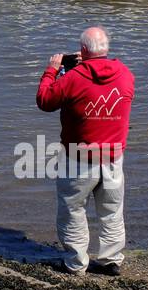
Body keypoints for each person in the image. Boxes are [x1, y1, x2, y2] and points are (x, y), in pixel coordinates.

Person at [36, 27, 134, 276]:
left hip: (78, 159)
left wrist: (52, 70)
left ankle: (76, 263)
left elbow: (45, 100)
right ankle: (111, 261)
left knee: (72, 210)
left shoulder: (73, 78)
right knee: (111, 211)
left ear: (82, 51)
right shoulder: (125, 75)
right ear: (106, 49)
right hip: (113, 158)